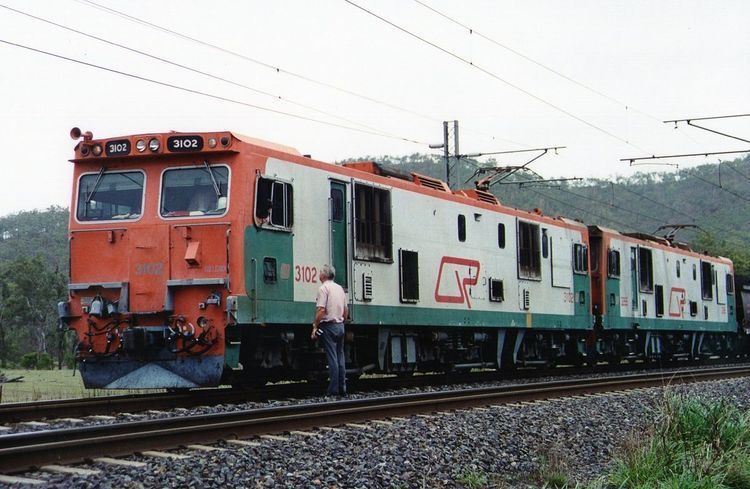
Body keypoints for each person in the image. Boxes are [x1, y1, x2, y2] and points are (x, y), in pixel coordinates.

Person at [311, 264, 348, 396]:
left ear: (324, 275)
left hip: (329, 326)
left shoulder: (323, 288)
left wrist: (315, 325)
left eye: (320, 271)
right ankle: (343, 387)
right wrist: (342, 321)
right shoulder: (340, 288)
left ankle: (333, 390)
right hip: (340, 325)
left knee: (332, 359)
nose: (319, 274)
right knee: (340, 357)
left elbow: (321, 310)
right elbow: (346, 310)